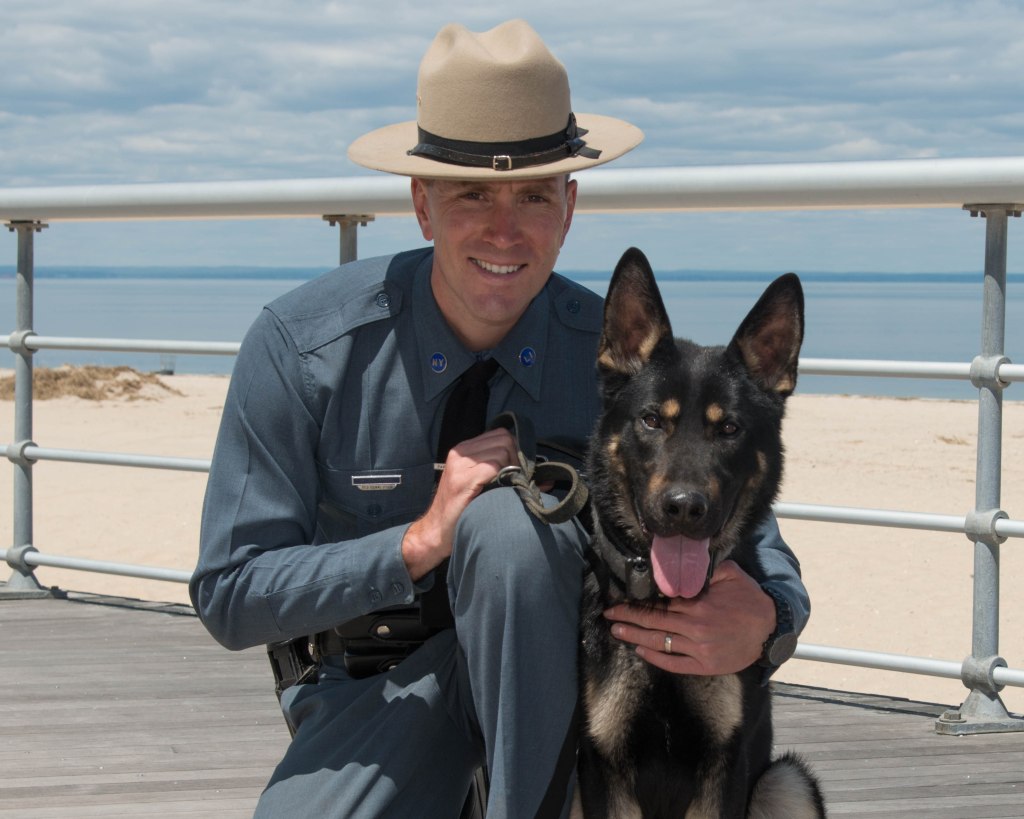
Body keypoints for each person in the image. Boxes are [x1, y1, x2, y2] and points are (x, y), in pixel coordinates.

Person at [190, 19, 810, 819]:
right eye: (472, 193)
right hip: (377, 692)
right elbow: (230, 592)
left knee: (514, 532)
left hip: (570, 704)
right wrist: (416, 542)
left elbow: (746, 530)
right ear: (421, 203)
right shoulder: (303, 349)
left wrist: (768, 618)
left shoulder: (626, 363)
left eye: (534, 195)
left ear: (569, 206)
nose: (505, 229)